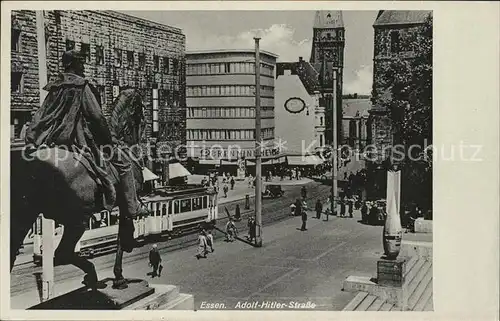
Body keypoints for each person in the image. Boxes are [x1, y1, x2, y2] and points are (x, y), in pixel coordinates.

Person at [24, 50, 148, 251]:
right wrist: (109, 141)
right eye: (81, 62)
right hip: (78, 139)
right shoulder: (82, 86)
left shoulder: (55, 87)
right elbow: (98, 118)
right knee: (124, 164)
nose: (83, 66)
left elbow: (40, 115)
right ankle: (133, 207)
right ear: (74, 64)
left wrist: (31, 140)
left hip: (53, 141)